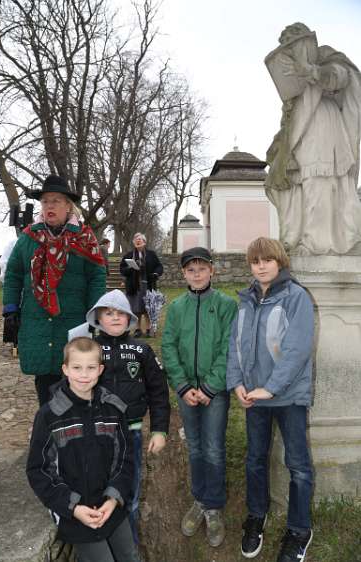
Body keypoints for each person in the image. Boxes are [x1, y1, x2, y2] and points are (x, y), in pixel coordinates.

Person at [226, 237, 314, 562]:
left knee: (298, 467)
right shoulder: (246, 300)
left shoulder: (297, 298)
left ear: (280, 261)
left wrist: (272, 387)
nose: (261, 265)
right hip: (255, 398)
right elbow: (236, 344)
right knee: (255, 460)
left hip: (288, 397)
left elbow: (297, 350)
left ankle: (299, 530)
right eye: (255, 261)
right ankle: (256, 516)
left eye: (267, 259)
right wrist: (236, 382)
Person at [26, 337, 139, 562]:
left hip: (111, 506)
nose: (84, 375)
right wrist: (73, 507)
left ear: (100, 370)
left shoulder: (113, 408)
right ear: (65, 369)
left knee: (129, 555)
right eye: (77, 367)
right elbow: (38, 470)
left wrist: (113, 499)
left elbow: (125, 458)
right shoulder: (49, 415)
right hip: (75, 512)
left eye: (90, 368)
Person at [2, 174, 106, 406]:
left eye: (56, 201)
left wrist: (94, 314)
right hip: (36, 320)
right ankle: (49, 434)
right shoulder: (28, 238)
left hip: (73, 321)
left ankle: (74, 435)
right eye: (46, 201)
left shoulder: (84, 238)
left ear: (69, 206)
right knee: (45, 384)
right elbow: (13, 274)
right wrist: (10, 309)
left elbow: (97, 277)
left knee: (76, 379)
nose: (50, 206)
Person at [161, 247, 237, 548]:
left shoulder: (225, 305)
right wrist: (181, 385)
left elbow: (228, 349)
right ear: (183, 274)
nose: (197, 274)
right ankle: (199, 499)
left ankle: (214, 505)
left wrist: (209, 387)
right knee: (194, 446)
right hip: (186, 391)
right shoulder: (177, 307)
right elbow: (168, 346)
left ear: (212, 271)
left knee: (213, 447)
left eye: (202, 269)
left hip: (213, 391)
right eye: (191, 270)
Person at [265, 22, 361, 255]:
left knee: (328, 183)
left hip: (325, 125)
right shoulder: (292, 73)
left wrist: (313, 72)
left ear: (306, 41)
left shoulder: (326, 56)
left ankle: (329, 242)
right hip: (301, 129)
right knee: (303, 185)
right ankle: (302, 238)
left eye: (294, 44)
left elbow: (341, 77)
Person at [84, 289, 170, 543]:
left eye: (121, 313)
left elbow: (158, 392)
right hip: (95, 435)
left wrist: (159, 430)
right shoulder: (89, 349)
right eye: (108, 313)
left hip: (130, 434)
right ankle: (101, 544)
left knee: (129, 494)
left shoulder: (142, 351)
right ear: (98, 317)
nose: (115, 318)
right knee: (96, 492)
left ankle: (128, 548)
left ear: (130, 318)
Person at [120, 233, 163, 337]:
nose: (137, 241)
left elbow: (159, 266)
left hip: (148, 285)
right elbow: (122, 269)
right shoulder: (128, 255)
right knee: (136, 309)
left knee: (148, 308)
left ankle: (148, 329)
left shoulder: (151, 254)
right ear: (134, 242)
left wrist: (155, 274)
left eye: (140, 239)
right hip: (134, 286)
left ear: (144, 242)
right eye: (136, 240)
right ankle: (138, 329)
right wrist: (130, 268)